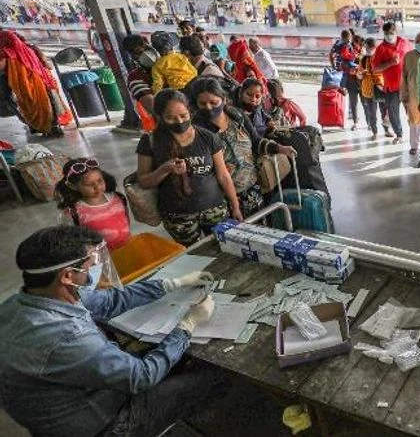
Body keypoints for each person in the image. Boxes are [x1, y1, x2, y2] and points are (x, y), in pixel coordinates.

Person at [0, 225, 227, 437]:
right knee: (214, 373)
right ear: (67, 275)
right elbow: (141, 376)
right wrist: (187, 325)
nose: (92, 274)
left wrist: (171, 284)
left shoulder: (26, 300)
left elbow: (110, 301)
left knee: (175, 357)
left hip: (65, 398)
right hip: (101, 425)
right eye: (89, 266)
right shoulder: (66, 336)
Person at [136, 89, 242, 246]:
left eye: (183, 116)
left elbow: (223, 175)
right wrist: (164, 169)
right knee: (194, 255)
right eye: (170, 118)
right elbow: (144, 181)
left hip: (215, 209)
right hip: (178, 217)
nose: (179, 121)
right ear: (159, 117)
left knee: (226, 248)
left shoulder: (207, 137)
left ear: (190, 112)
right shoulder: (150, 142)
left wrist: (235, 206)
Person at [191, 78, 296, 217]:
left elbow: (256, 141)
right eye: (203, 104)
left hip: (251, 186)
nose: (209, 107)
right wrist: (234, 205)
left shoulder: (238, 116)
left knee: (259, 227)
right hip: (222, 197)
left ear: (223, 99)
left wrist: (280, 148)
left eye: (213, 102)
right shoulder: (197, 131)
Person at [0, 30, 70, 137]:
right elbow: (48, 65)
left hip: (25, 86)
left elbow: (2, 66)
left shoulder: (7, 54)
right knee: (47, 103)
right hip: (44, 82)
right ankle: (52, 127)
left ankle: (38, 126)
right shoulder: (30, 48)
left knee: (29, 105)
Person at [55, 158, 131, 251]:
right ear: (73, 186)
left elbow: (126, 220)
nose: (97, 187)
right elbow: (71, 239)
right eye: (89, 184)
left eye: (100, 180)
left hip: (128, 248)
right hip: (103, 258)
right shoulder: (73, 212)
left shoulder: (118, 198)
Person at [372, 21, 412, 144]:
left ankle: (414, 134)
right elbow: (375, 68)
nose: (389, 35)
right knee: (393, 112)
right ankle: (399, 135)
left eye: (391, 33)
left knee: (411, 111)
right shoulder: (381, 48)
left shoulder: (404, 43)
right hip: (391, 87)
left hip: (407, 85)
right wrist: (390, 63)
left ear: (395, 32)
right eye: (386, 33)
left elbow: (414, 57)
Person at [121, 34, 159, 132]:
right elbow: (152, 105)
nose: (146, 54)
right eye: (139, 52)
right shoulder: (135, 77)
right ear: (133, 57)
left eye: (147, 48)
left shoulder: (170, 62)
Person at [401, 32, 420, 154]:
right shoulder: (408, 56)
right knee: (413, 121)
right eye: (417, 41)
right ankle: (414, 146)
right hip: (412, 95)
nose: (419, 44)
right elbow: (404, 77)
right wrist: (404, 96)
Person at [358, 37, 385, 140]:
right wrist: (361, 73)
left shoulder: (380, 58)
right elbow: (359, 74)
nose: (368, 49)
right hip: (368, 90)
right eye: (367, 47)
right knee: (372, 112)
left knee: (384, 111)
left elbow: (384, 72)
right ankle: (375, 132)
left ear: (375, 47)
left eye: (370, 47)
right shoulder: (364, 59)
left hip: (380, 88)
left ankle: (387, 130)